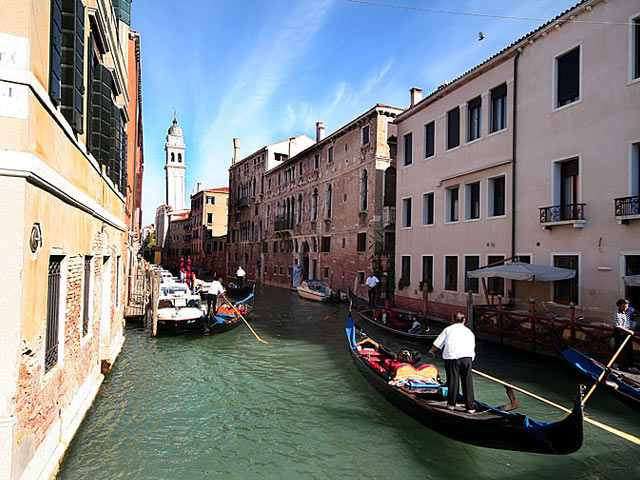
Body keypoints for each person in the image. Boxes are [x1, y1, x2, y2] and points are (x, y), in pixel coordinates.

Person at [428, 312, 476, 414]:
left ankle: (451, 405)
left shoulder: (448, 330)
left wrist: (432, 351)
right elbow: (472, 345)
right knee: (467, 382)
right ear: (464, 321)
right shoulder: (469, 332)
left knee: (453, 380)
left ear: (453, 320)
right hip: (467, 358)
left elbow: (438, 343)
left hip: (452, 358)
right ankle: (470, 407)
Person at [612, 298, 638, 373]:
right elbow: (619, 327)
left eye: (626, 306)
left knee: (629, 349)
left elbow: (634, 310)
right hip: (619, 333)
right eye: (623, 306)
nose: (625, 308)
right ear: (619, 306)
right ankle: (615, 363)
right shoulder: (617, 314)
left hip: (627, 333)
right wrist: (629, 331)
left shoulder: (629, 310)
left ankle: (630, 366)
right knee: (618, 348)